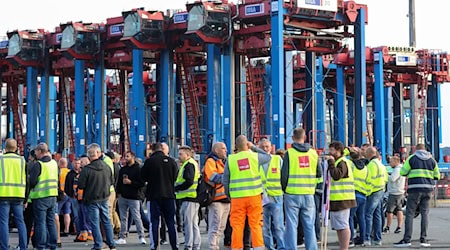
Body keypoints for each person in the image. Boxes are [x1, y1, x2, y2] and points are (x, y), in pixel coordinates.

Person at [223, 135, 271, 250]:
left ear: (236, 146)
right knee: (255, 224)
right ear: (247, 144)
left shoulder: (231, 159)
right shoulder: (255, 157)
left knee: (237, 225)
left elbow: (225, 180)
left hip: (237, 198)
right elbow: (268, 157)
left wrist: (229, 195)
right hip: (254, 196)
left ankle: (237, 248)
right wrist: (253, 147)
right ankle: (258, 247)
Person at [281, 128, 321, 250]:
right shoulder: (313, 154)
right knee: (309, 225)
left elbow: (284, 174)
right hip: (308, 193)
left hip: (292, 193)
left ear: (293, 138)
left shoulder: (290, 153)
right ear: (304, 138)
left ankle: (291, 248)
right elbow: (319, 173)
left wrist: (284, 189)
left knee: (291, 225)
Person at [394, 144, 440, 247]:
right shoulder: (432, 160)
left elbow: (402, 172)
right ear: (425, 149)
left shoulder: (412, 158)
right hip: (428, 190)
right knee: (425, 214)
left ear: (415, 149)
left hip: (414, 189)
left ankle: (407, 239)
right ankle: (423, 239)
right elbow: (437, 175)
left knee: (410, 213)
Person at [78, 143, 116, 250]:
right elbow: (112, 181)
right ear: (98, 154)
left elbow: (81, 185)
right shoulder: (107, 167)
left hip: (91, 199)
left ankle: (98, 244)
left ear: (89, 156)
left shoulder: (87, 169)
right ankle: (111, 243)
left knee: (94, 223)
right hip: (104, 197)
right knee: (106, 221)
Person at [141, 142, 179, 250]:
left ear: (152, 150)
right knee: (171, 222)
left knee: (154, 223)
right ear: (162, 149)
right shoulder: (171, 161)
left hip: (153, 196)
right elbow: (176, 177)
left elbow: (143, 177)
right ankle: (174, 246)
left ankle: (155, 247)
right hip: (169, 195)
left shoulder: (149, 162)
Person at [327, 141, 357, 250]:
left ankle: (344, 247)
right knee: (338, 226)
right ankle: (342, 247)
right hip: (337, 198)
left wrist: (330, 162)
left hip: (343, 198)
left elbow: (336, 175)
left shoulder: (342, 162)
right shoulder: (339, 161)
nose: (330, 152)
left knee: (343, 225)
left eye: (332, 150)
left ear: (338, 151)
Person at [28, 142, 59, 250]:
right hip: (52, 196)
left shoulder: (39, 165)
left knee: (40, 223)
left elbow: (32, 181)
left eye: (36, 151)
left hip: (40, 197)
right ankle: (53, 245)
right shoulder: (54, 163)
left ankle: (41, 246)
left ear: (40, 152)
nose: (35, 153)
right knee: (51, 221)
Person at [0, 138, 27, 250]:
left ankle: (4, 247)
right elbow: (27, 180)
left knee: (3, 222)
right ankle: (23, 247)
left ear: (5, 148)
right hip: (19, 195)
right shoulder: (22, 160)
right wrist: (26, 197)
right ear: (16, 148)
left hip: (3, 194)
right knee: (20, 222)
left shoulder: (1, 160)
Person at [258, 139, 285, 250]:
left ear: (271, 147)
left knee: (278, 226)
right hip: (261, 197)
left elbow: (283, 175)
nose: (265, 149)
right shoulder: (255, 160)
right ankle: (269, 247)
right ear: (258, 147)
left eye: (267, 146)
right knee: (265, 227)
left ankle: (282, 247)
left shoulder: (277, 159)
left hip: (276, 197)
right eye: (263, 147)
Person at [115, 151, 146, 245]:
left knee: (137, 217)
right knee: (123, 217)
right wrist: (118, 192)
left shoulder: (138, 169)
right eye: (125, 156)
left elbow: (142, 183)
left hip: (134, 196)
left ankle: (141, 236)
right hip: (123, 196)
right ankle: (122, 236)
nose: (125, 158)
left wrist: (131, 182)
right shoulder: (123, 169)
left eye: (127, 156)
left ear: (133, 157)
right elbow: (119, 182)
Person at [203, 142, 230, 250]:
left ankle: (215, 245)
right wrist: (227, 177)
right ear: (216, 150)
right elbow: (212, 177)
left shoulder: (225, 161)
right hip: (216, 199)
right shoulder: (211, 161)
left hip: (226, 199)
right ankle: (213, 247)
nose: (226, 150)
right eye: (223, 148)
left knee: (221, 227)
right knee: (215, 226)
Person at [175, 146, 201, 250]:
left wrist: (177, 188)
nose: (179, 156)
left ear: (187, 155)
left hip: (188, 197)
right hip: (192, 197)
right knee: (193, 223)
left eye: (181, 154)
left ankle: (189, 244)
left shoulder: (188, 165)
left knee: (188, 223)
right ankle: (195, 244)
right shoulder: (191, 164)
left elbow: (189, 181)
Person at [364, 146, 388, 246]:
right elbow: (386, 179)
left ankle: (367, 238)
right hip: (380, 190)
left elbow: (369, 180)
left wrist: (367, 192)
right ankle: (378, 238)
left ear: (369, 154)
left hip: (373, 192)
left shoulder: (371, 165)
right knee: (377, 215)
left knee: (368, 215)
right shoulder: (381, 165)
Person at [348, 148, 369, 246]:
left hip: (353, 193)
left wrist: (347, 150)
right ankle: (362, 239)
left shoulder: (351, 165)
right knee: (361, 218)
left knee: (350, 217)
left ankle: (351, 239)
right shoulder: (365, 167)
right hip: (363, 194)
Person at [383, 155, 406, 234]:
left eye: (391, 162)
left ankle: (388, 227)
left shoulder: (397, 170)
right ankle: (399, 227)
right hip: (400, 192)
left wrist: (385, 175)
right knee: (399, 209)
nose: (390, 163)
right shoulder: (401, 169)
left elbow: (393, 179)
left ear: (396, 162)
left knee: (390, 211)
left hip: (394, 192)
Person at [64, 158, 82, 241]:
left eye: (78, 163)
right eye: (75, 163)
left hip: (83, 198)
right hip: (73, 198)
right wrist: (70, 195)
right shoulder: (69, 174)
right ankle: (79, 232)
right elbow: (66, 186)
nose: (77, 165)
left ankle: (85, 232)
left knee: (84, 216)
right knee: (76, 216)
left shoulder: (83, 173)